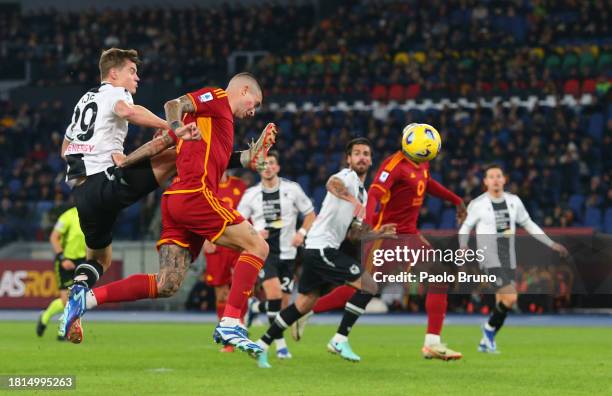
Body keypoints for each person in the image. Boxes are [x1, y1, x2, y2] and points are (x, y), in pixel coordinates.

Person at [61, 73, 278, 357]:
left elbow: (164, 144)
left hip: (176, 201)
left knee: (167, 284)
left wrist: (252, 155)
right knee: (258, 245)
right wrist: (175, 123)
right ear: (245, 89)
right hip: (196, 195)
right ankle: (230, 322)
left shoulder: (214, 127)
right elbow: (174, 104)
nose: (254, 110)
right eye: (255, 103)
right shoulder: (217, 99)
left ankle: (84, 301)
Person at [295, 123, 466, 361]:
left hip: (409, 236)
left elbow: (427, 184)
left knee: (439, 276)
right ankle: (307, 310)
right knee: (363, 287)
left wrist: (456, 200)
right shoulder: (393, 165)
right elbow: (374, 194)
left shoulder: (421, 162)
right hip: (388, 236)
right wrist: (370, 226)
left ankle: (432, 343)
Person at [60, 48, 200, 297]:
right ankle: (231, 165)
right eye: (132, 71)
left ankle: (79, 287)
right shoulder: (117, 92)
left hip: (82, 195)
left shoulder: (85, 100)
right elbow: (127, 111)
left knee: (100, 259)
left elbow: (65, 149)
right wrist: (172, 126)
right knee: (177, 154)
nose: (137, 78)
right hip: (106, 181)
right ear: (113, 74)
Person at [253, 138, 396, 368]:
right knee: (369, 286)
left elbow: (353, 235)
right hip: (322, 247)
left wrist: (379, 233)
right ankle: (339, 339)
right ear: (349, 159)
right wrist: (350, 198)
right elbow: (331, 183)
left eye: (366, 154)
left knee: (304, 304)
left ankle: (261, 345)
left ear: (371, 160)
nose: (362, 157)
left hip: (319, 249)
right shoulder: (346, 178)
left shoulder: (364, 194)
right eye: (357, 153)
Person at [458, 164, 568, 353]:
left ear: (504, 179)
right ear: (485, 182)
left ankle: (486, 341)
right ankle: (488, 329)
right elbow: (466, 226)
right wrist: (463, 245)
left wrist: (551, 244)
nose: (495, 180)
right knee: (511, 297)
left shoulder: (514, 202)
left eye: (498, 176)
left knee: (503, 302)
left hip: (508, 257)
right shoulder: (477, 204)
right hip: (488, 257)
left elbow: (529, 224)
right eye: (491, 176)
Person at [239, 151, 316, 360]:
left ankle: (255, 306)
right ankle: (280, 346)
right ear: (259, 168)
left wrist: (302, 233)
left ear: (278, 167)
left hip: (289, 254)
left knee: (282, 305)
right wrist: (254, 233)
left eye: (272, 163)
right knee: (273, 295)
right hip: (264, 252)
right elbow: (238, 222)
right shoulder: (251, 195)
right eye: (264, 164)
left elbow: (310, 214)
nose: (268, 167)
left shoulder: (292, 189)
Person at [202, 171, 248, 353]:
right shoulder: (205, 185)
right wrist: (204, 238)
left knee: (240, 288)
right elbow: (197, 214)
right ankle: (228, 339)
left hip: (237, 243)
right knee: (221, 293)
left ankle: (240, 330)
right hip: (216, 244)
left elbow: (248, 213)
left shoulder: (240, 185)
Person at [37, 206, 85, 340]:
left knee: (76, 300)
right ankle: (46, 316)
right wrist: (62, 258)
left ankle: (63, 331)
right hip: (65, 260)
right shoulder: (68, 216)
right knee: (66, 300)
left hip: (82, 261)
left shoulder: (92, 215)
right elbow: (54, 237)